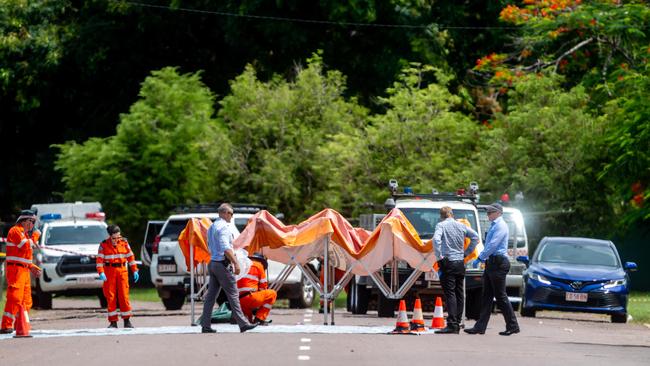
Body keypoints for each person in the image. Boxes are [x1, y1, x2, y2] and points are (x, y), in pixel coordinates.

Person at [200, 203, 257, 333]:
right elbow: (226, 248)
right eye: (231, 213)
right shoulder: (224, 228)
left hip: (213, 262)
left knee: (211, 296)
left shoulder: (212, 226)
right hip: (221, 263)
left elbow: (210, 245)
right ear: (225, 213)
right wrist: (236, 263)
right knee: (233, 294)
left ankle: (205, 325)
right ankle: (243, 324)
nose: (231, 216)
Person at [465, 203, 520, 336]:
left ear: (498, 213)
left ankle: (513, 325)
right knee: (486, 296)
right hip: (492, 262)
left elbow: (493, 245)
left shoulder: (500, 226)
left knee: (500, 296)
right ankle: (480, 327)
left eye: (490, 212)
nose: (488, 214)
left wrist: (480, 257)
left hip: (498, 263)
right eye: (488, 212)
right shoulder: (494, 225)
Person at [432, 206, 480, 334]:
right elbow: (475, 237)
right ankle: (457, 323)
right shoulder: (461, 226)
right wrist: (466, 253)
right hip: (460, 262)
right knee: (459, 293)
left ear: (441, 216)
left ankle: (452, 324)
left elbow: (436, 240)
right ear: (452, 214)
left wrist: (439, 257)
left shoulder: (441, 225)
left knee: (450, 293)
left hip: (448, 262)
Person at [1, 210, 42, 334]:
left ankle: (21, 324)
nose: (33, 225)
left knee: (26, 300)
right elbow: (24, 246)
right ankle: (6, 325)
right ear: (24, 220)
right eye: (31, 221)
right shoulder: (15, 231)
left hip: (24, 270)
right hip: (16, 270)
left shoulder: (25, 234)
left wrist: (32, 266)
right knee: (15, 298)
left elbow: (24, 255)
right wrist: (35, 236)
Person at [96, 224, 139, 328]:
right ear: (110, 236)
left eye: (118, 237)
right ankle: (113, 322)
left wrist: (135, 270)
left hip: (122, 271)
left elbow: (130, 257)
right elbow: (99, 261)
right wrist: (101, 272)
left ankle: (127, 321)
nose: (116, 240)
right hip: (109, 272)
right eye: (114, 238)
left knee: (124, 296)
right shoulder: (104, 245)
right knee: (111, 297)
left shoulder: (124, 242)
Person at [237, 253, 277, 325]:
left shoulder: (242, 264)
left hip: (238, 301)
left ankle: (246, 318)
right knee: (272, 294)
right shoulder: (258, 265)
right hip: (251, 298)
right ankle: (260, 318)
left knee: (249, 322)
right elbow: (263, 286)